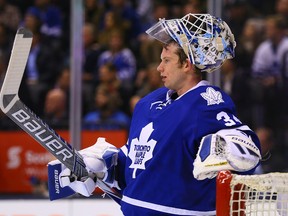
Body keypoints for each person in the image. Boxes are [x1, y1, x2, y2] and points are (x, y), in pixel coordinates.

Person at [48, 13, 262, 215]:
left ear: (187, 64)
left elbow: (248, 148)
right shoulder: (149, 102)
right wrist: (101, 166)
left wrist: (224, 149)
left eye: (166, 61)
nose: (159, 68)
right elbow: (136, 160)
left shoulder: (206, 102)